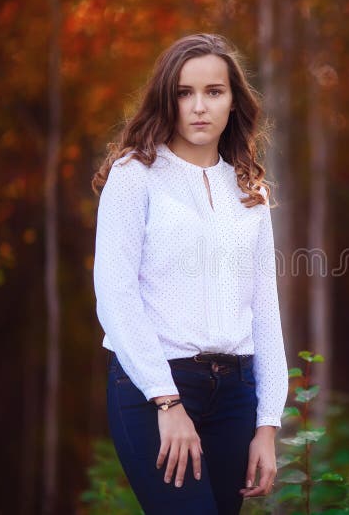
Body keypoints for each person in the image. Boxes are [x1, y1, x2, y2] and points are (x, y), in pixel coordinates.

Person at [90, 33, 288, 514]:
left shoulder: (250, 193)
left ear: (233, 102)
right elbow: (115, 296)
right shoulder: (136, 174)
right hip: (153, 386)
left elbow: (265, 312)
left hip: (236, 396)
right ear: (167, 99)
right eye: (184, 92)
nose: (199, 106)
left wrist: (267, 425)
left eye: (214, 91)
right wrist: (167, 401)